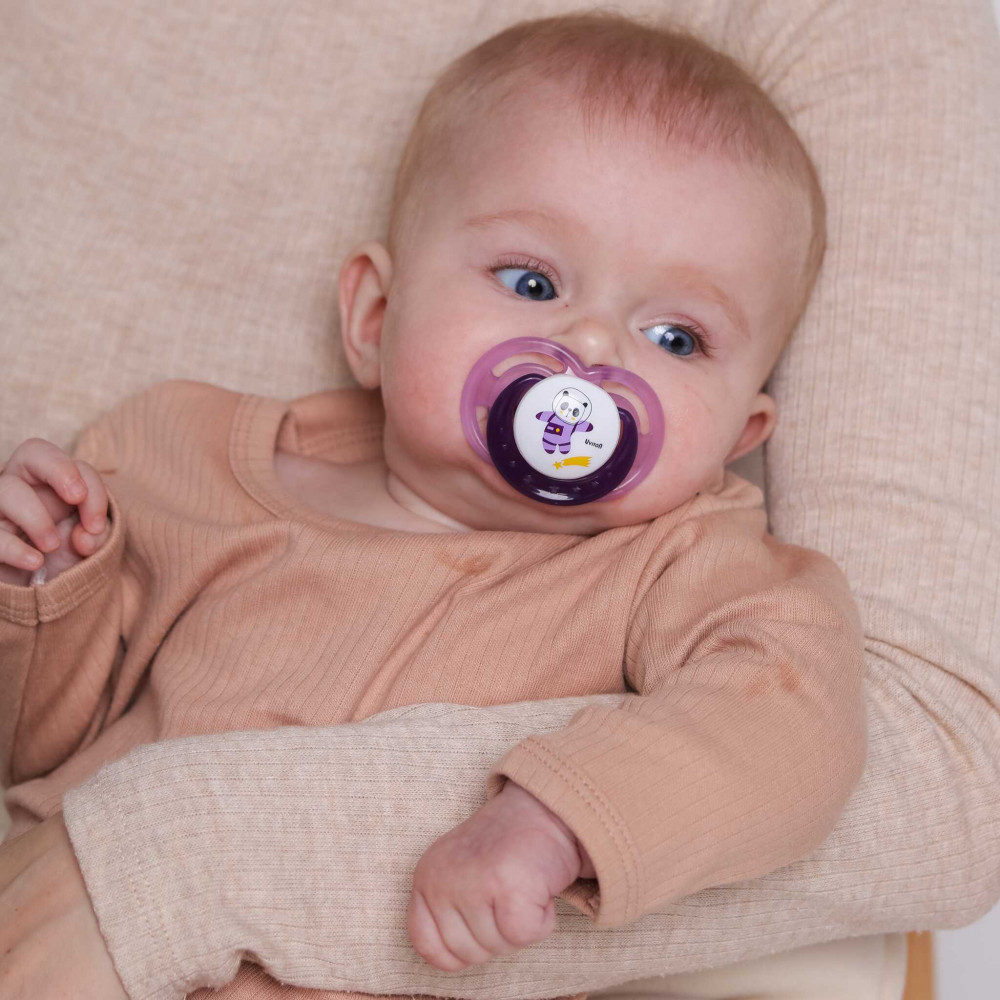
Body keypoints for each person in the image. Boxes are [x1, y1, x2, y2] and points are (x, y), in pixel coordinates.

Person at [0, 10, 876, 1000]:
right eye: (532, 281)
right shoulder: (179, 459)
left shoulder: (678, 562)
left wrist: (564, 819)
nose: (590, 349)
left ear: (737, 438)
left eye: (677, 338)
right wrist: (46, 588)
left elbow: (795, 722)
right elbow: (42, 745)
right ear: (375, 317)